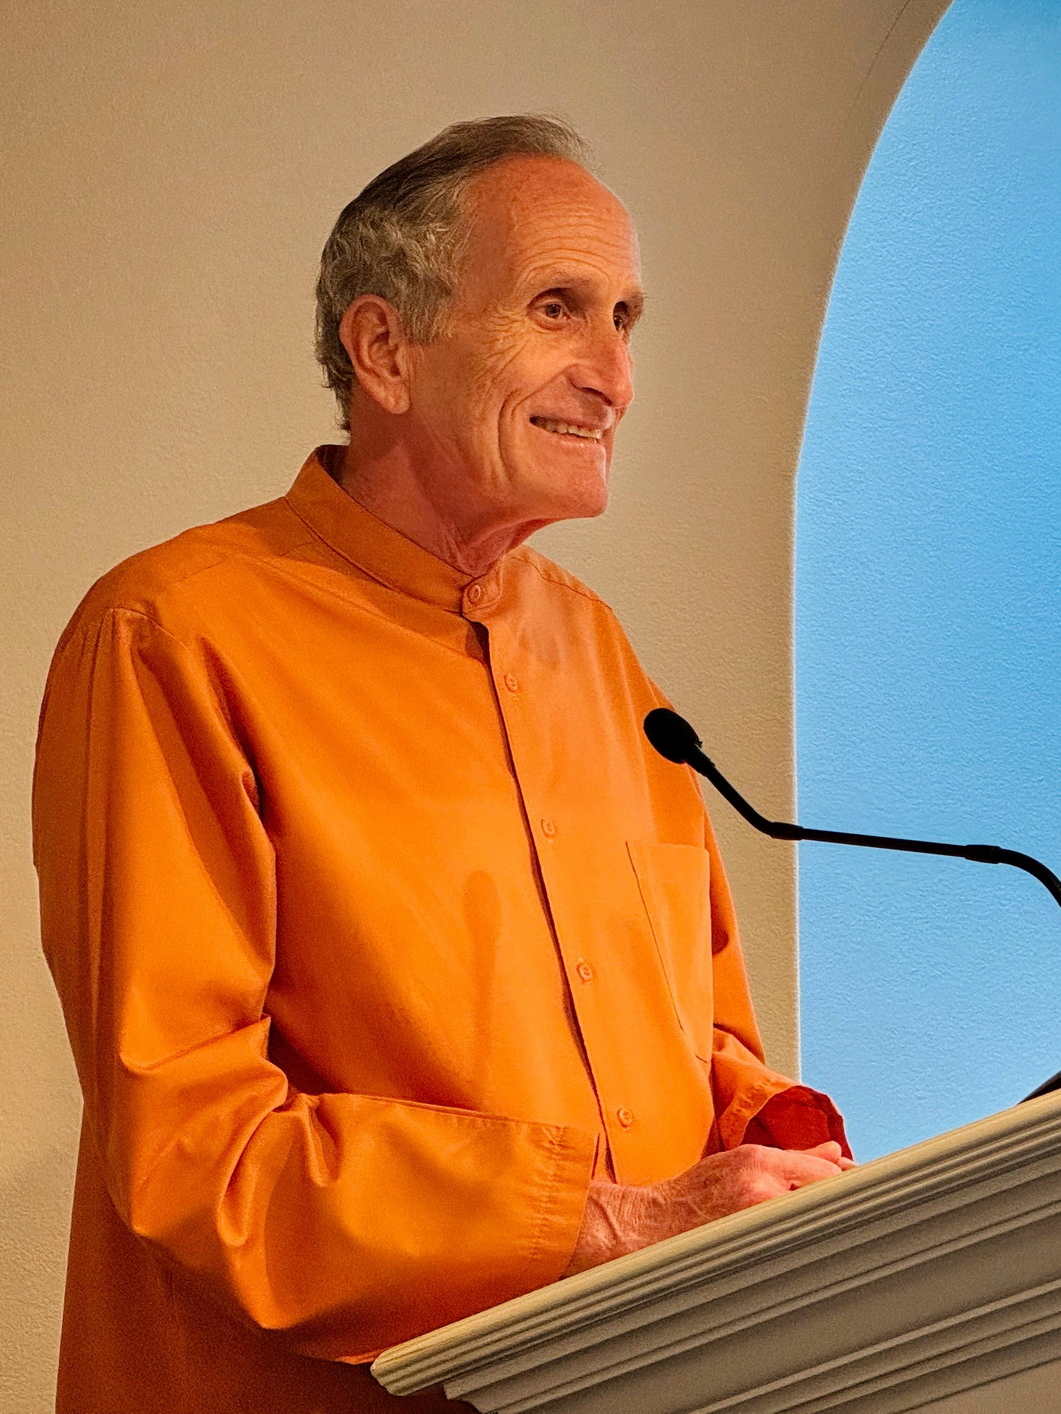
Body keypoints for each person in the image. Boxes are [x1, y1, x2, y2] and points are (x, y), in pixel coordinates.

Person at [33, 115, 852, 1413]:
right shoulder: (175, 635)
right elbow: (197, 1149)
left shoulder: (597, 651)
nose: (615, 375)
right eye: (557, 308)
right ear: (385, 349)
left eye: (626, 318)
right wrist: (602, 1223)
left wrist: (777, 1147)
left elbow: (703, 1041)